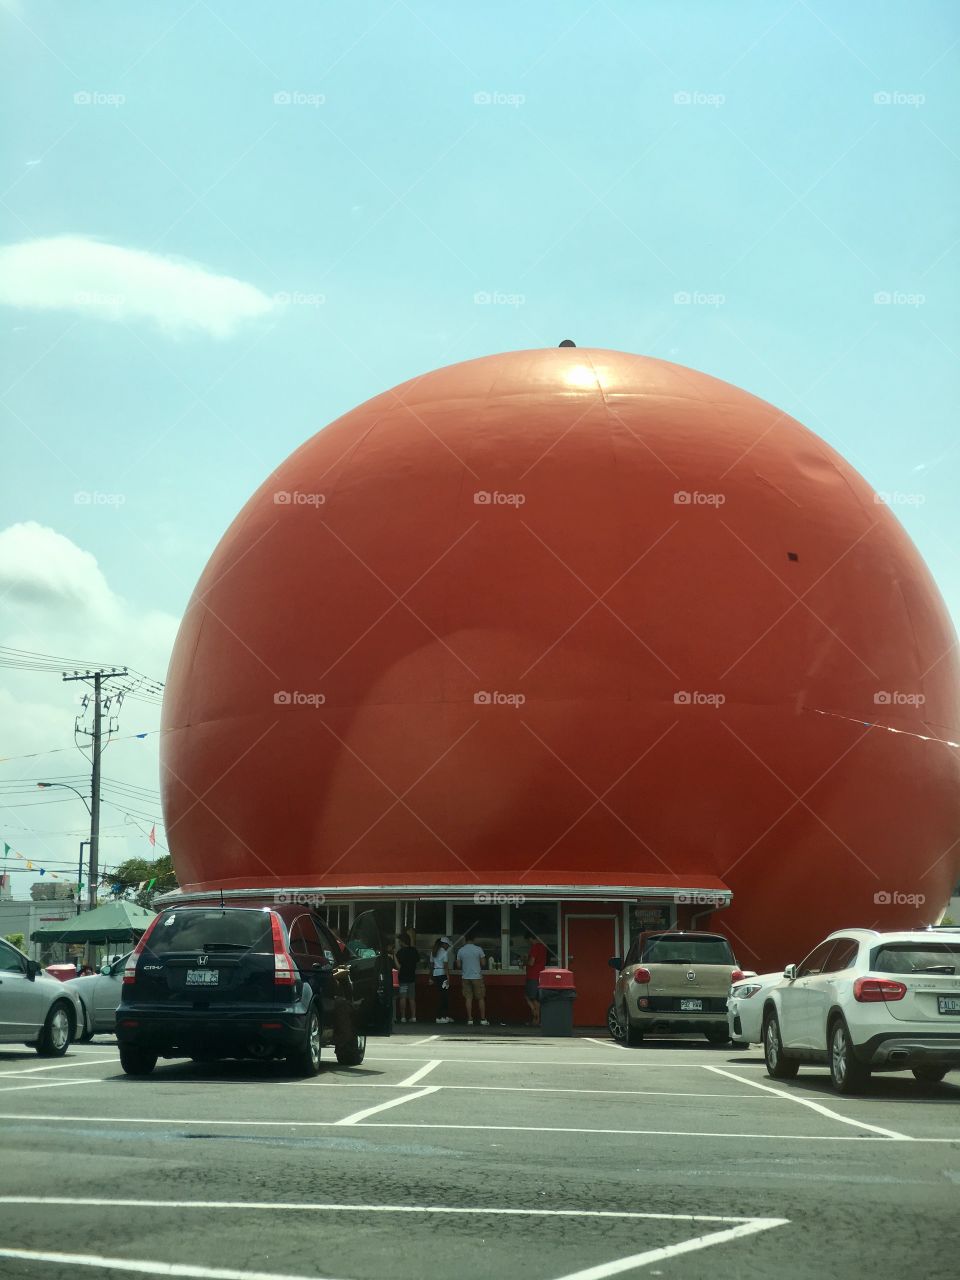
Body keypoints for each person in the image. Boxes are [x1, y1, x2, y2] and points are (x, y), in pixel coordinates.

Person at [457, 931, 488, 1026]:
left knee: (468, 998)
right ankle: (483, 1019)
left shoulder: (461, 950)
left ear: (465, 939)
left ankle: (470, 1019)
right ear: (474, 939)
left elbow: (458, 965)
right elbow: (483, 963)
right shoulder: (478, 949)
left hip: (466, 977)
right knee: (480, 998)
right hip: (477, 977)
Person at [523, 930, 548, 1026]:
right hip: (541, 975)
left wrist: (525, 959)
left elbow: (531, 962)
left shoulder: (534, 947)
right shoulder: (543, 947)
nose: (527, 943)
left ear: (530, 939)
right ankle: (537, 1020)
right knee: (536, 998)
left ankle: (535, 1017)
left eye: (527, 941)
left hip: (533, 975)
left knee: (530, 997)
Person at [395, 930, 420, 1024]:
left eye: (399, 941)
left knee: (403, 997)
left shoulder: (400, 952)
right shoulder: (414, 951)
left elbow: (398, 966)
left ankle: (403, 1017)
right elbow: (418, 960)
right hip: (412, 978)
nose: (399, 943)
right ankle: (413, 1017)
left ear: (402, 942)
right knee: (412, 998)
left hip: (402, 978)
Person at [432, 936, 453, 1024]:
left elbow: (431, 964)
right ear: (444, 944)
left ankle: (443, 1016)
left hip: (436, 974)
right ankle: (441, 1016)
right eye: (447, 945)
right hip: (442, 975)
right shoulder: (444, 952)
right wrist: (448, 977)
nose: (448, 947)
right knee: (444, 996)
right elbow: (445, 966)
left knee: (440, 995)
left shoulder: (433, 952)